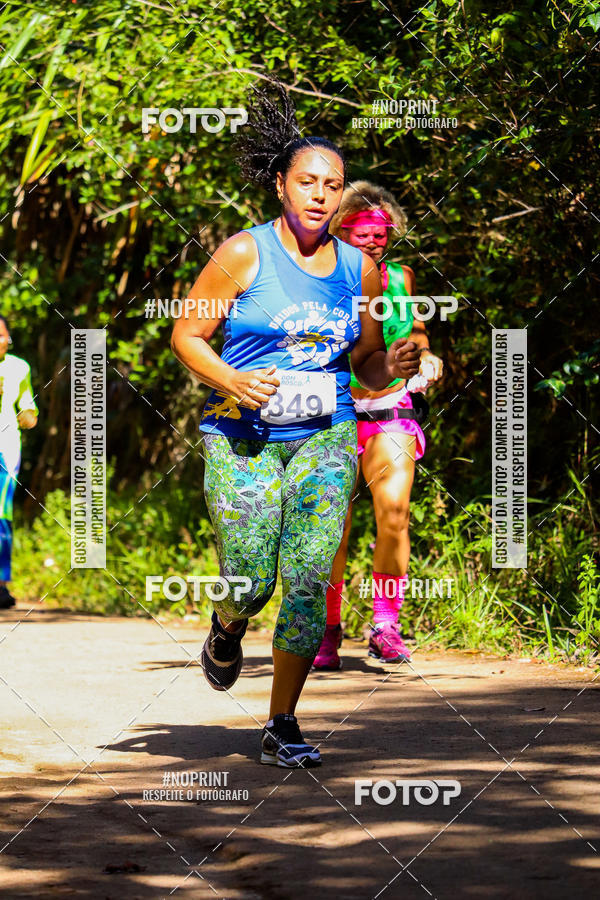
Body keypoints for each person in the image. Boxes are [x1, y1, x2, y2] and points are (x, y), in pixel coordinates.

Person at [170, 82, 420, 767]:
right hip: (240, 435)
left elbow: (366, 364)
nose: (318, 194)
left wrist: (392, 364)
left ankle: (282, 722)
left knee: (309, 574)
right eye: (306, 181)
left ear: (342, 196)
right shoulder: (243, 254)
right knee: (250, 578)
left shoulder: (359, 271)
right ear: (280, 185)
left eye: (331, 185)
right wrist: (232, 380)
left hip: (326, 435)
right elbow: (187, 335)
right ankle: (228, 625)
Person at [312, 181, 444, 670]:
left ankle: (386, 625)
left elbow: (413, 331)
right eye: (363, 231)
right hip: (332, 413)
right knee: (334, 528)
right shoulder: (317, 278)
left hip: (391, 407)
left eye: (383, 232)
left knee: (394, 514)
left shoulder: (400, 278)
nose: (375, 239)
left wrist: (426, 358)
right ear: (338, 229)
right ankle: (326, 628)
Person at [0, 315, 38, 609]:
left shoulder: (18, 367)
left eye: (2, 335)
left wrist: (28, 416)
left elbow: (28, 408)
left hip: (6, 448)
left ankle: (1, 584)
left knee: (1, 513)